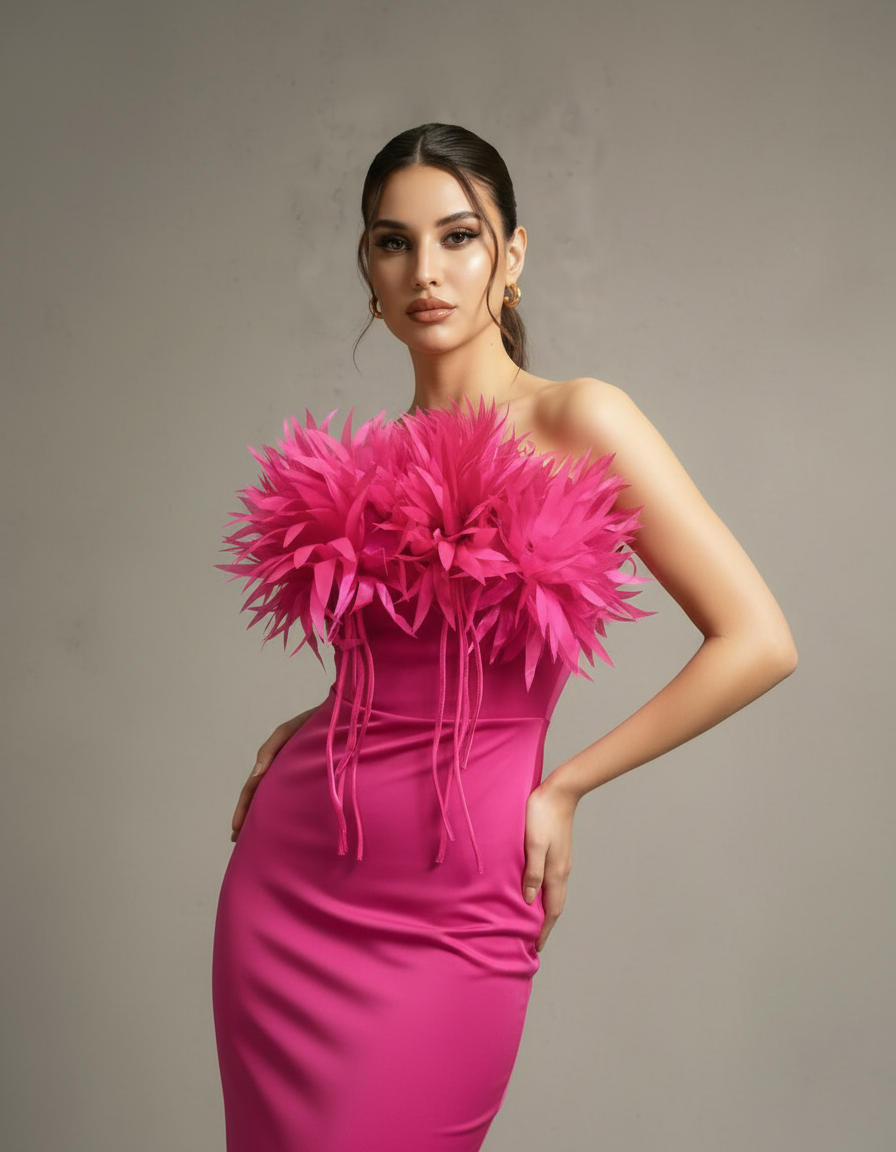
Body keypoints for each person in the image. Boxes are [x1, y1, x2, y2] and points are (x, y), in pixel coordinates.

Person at [212, 123, 797, 1152]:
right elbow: (403, 658)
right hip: (292, 884)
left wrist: (566, 786)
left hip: (461, 893)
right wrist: (326, 712)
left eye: (458, 237)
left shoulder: (580, 421)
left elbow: (757, 639)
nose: (425, 272)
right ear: (367, 268)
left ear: (510, 254)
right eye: (393, 243)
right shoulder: (366, 461)